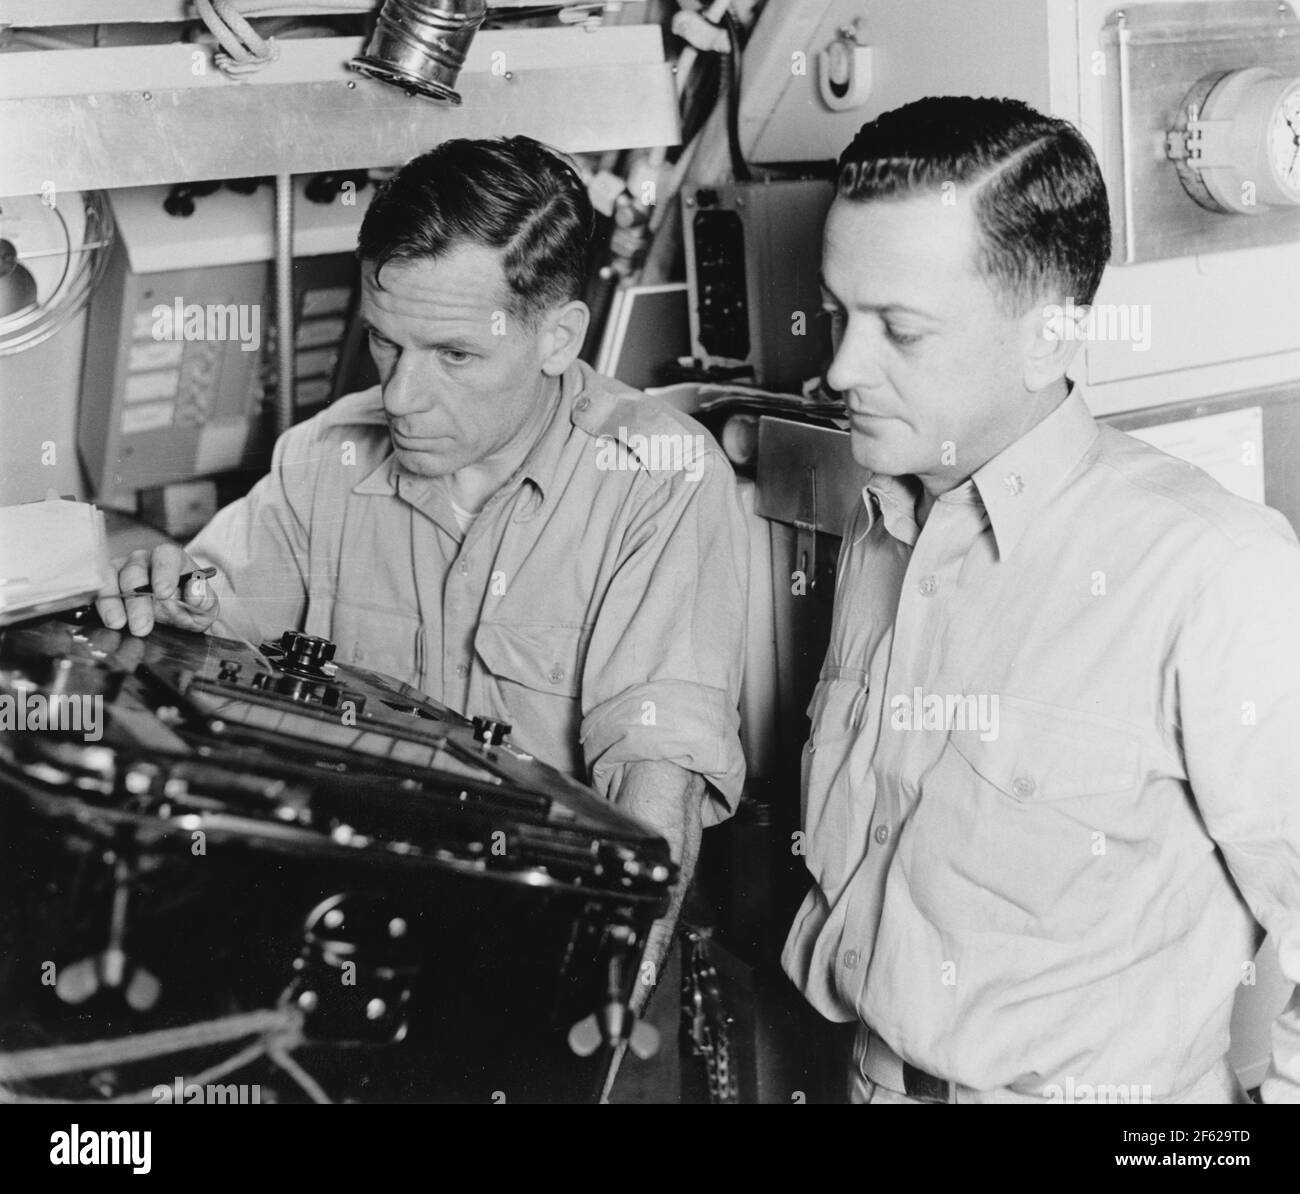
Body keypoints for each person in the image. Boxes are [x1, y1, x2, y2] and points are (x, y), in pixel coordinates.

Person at [96, 134, 749, 1051]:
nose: (401, 396)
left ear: (558, 337)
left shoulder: (656, 480)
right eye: (385, 342)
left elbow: (655, 784)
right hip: (352, 940)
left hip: (543, 960)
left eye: (454, 355)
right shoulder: (326, 458)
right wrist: (165, 592)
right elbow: (207, 621)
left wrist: (601, 1021)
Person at [782, 95, 1300, 1104]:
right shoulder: (883, 522)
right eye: (838, 313)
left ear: (1049, 339)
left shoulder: (1213, 572)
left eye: (899, 330)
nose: (841, 368)